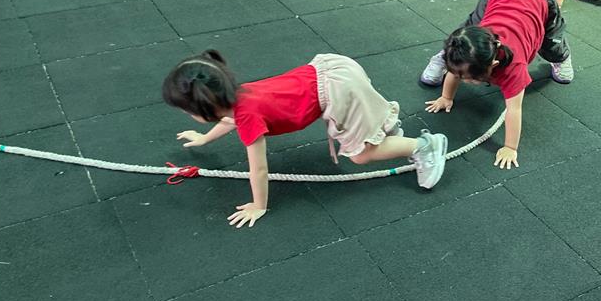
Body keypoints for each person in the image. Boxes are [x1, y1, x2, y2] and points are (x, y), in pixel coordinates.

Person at [163, 50, 448, 228]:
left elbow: (258, 168)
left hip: (337, 91)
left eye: (187, 110)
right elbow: (229, 120)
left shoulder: (247, 115)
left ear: (205, 108)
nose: (186, 114)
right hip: (333, 71)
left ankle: (424, 147)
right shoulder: (239, 95)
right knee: (362, 121)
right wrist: (204, 139)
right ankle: (382, 129)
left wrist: (259, 205)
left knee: (361, 155)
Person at [420, 0, 572, 169]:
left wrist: (510, 147)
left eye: (471, 78)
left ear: (494, 64)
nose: (465, 81)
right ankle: (445, 56)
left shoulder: (514, 67)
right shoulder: (477, 43)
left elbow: (514, 109)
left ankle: (562, 58)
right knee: (464, 35)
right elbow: (455, 73)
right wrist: (446, 97)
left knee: (552, 42)